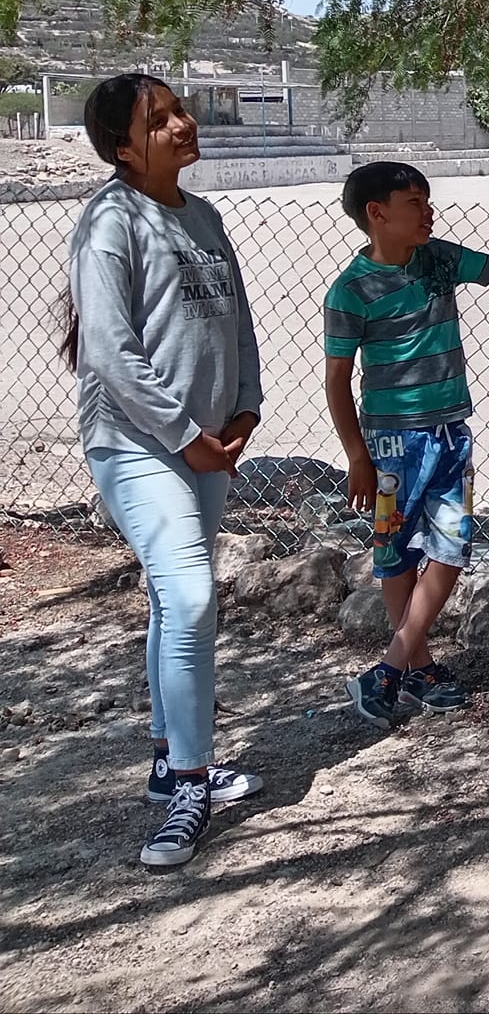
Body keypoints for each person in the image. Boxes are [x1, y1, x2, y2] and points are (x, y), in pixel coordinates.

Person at [66, 73, 265, 867]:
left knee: (168, 599)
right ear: (124, 147)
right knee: (188, 595)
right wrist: (185, 435)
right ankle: (190, 781)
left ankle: (165, 758)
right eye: (162, 118)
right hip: (138, 446)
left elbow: (237, 320)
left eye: (180, 109)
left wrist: (245, 409)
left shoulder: (204, 215)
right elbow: (110, 352)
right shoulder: (109, 222)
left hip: (207, 444)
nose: (184, 123)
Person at [325, 162, 489, 728]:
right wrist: (357, 456)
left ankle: (391, 668)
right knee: (396, 552)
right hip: (391, 442)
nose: (427, 210)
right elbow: (337, 382)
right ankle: (416, 666)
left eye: (427, 200)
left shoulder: (440, 258)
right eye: (414, 201)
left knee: (450, 549)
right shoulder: (351, 291)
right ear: (377, 213)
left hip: (449, 433)